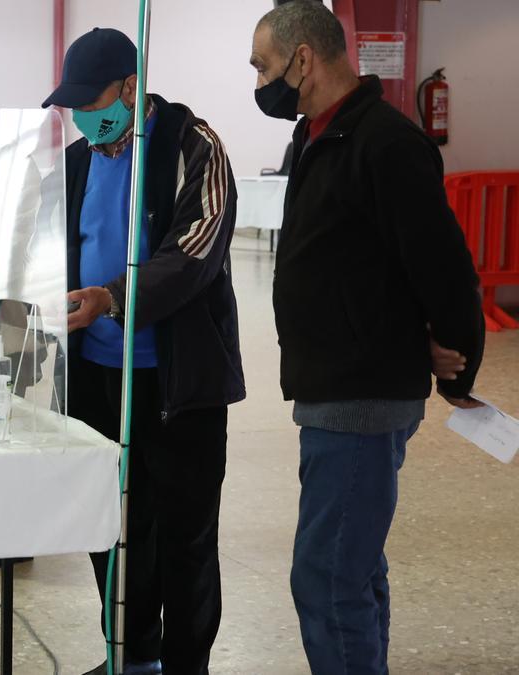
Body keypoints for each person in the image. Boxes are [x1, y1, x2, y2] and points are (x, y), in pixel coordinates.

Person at [250, 3, 485, 673]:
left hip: (362, 392)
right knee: (353, 566)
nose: (259, 82)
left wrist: (457, 364)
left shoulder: (385, 142)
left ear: (303, 59)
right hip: (330, 386)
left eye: (263, 66)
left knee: (326, 578)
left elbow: (442, 265)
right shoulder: (317, 134)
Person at [43, 28, 244, 675]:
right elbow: (54, 251)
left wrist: (110, 296)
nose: (84, 118)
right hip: (99, 377)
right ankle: (129, 655)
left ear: (132, 88)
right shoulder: (79, 160)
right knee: (114, 532)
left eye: (93, 101)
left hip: (177, 384)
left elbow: (193, 254)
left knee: (185, 537)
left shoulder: (192, 147)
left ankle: (186, 665)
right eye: (74, 107)